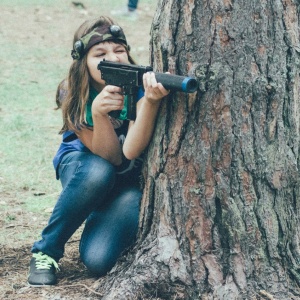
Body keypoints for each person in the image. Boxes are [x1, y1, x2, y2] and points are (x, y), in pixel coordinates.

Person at [27, 15, 169, 286]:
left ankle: (94, 213)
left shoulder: (138, 86)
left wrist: (149, 102)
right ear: (83, 62)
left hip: (124, 185)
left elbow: (128, 151)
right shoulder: (73, 91)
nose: (113, 58)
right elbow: (110, 157)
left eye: (119, 50)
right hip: (84, 168)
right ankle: (46, 250)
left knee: (98, 261)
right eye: (100, 54)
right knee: (98, 172)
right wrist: (99, 114)